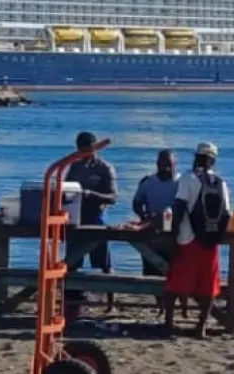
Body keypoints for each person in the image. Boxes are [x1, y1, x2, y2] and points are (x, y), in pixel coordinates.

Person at [162, 142, 231, 339]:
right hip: (210, 242)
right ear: (213, 161)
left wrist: (172, 236)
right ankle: (201, 325)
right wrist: (217, 236)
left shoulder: (188, 178)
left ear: (197, 157)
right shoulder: (221, 182)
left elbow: (179, 207)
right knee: (208, 284)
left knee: (175, 283)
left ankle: (168, 322)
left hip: (187, 238)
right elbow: (226, 213)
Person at [63, 131, 119, 307]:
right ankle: (71, 297)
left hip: (96, 217)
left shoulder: (105, 168)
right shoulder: (75, 167)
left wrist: (90, 194)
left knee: (103, 261)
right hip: (77, 217)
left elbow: (112, 197)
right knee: (72, 260)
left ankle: (110, 299)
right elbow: (66, 188)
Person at [132, 149, 184, 313]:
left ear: (175, 165)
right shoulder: (148, 182)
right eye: (162, 164)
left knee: (174, 270)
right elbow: (137, 202)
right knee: (151, 269)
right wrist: (144, 215)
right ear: (157, 164)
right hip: (152, 232)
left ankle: (177, 306)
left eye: (169, 164)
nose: (166, 168)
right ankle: (159, 303)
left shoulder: (181, 182)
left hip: (174, 233)